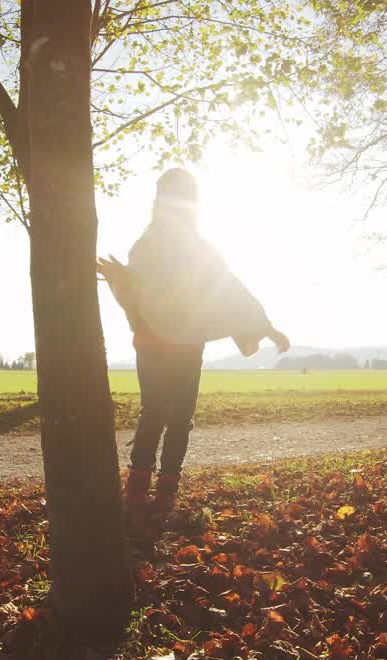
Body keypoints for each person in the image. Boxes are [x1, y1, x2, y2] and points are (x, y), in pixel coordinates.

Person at [98, 168, 290, 525]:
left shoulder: (195, 247)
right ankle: (140, 489)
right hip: (158, 342)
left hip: (183, 343)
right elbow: (140, 292)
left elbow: (228, 288)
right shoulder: (148, 244)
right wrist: (122, 280)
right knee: (160, 414)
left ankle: (161, 490)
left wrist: (265, 326)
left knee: (175, 417)